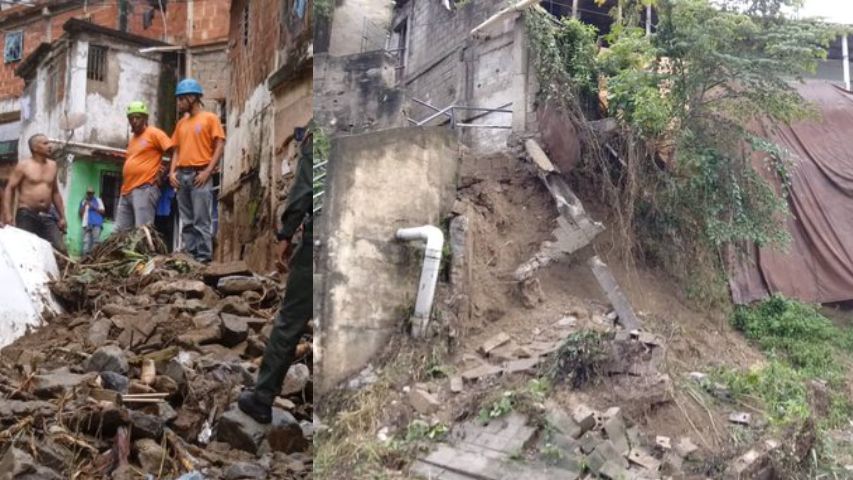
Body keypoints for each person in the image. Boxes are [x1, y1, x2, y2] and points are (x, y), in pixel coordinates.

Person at [238, 125, 313, 424]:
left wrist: (285, 236)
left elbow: (304, 191)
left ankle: (262, 398)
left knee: (290, 321)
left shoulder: (317, 134)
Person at [168, 79, 225, 263]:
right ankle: (191, 256)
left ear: (192, 97)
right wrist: (171, 173)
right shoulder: (181, 124)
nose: (178, 103)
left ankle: (204, 258)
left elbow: (219, 145)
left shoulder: (210, 118)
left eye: (181, 99)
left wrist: (208, 172)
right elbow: (176, 149)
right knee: (187, 220)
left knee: (202, 219)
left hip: (200, 174)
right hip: (182, 175)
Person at [2, 134, 67, 252]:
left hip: (47, 214)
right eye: (45, 143)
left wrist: (62, 216)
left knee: (60, 249)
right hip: (26, 213)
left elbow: (55, 192)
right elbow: (9, 188)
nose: (50, 146)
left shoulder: (53, 165)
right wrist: (7, 214)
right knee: (26, 249)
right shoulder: (24, 165)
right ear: (35, 148)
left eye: (49, 143)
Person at [116, 101, 173, 232]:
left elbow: (174, 153)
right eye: (131, 118)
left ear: (145, 118)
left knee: (143, 231)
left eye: (137, 117)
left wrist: (163, 175)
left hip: (145, 188)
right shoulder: (132, 140)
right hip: (126, 191)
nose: (134, 121)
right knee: (120, 233)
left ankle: (146, 253)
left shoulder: (154, 133)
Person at [78, 186, 105, 255]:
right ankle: (85, 259)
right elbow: (80, 214)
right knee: (86, 242)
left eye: (91, 193)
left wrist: (92, 206)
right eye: (88, 193)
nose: (90, 194)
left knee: (96, 242)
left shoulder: (98, 200)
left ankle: (93, 260)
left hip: (96, 223)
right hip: (86, 224)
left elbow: (103, 212)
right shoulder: (83, 201)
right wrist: (84, 205)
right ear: (86, 193)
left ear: (93, 193)